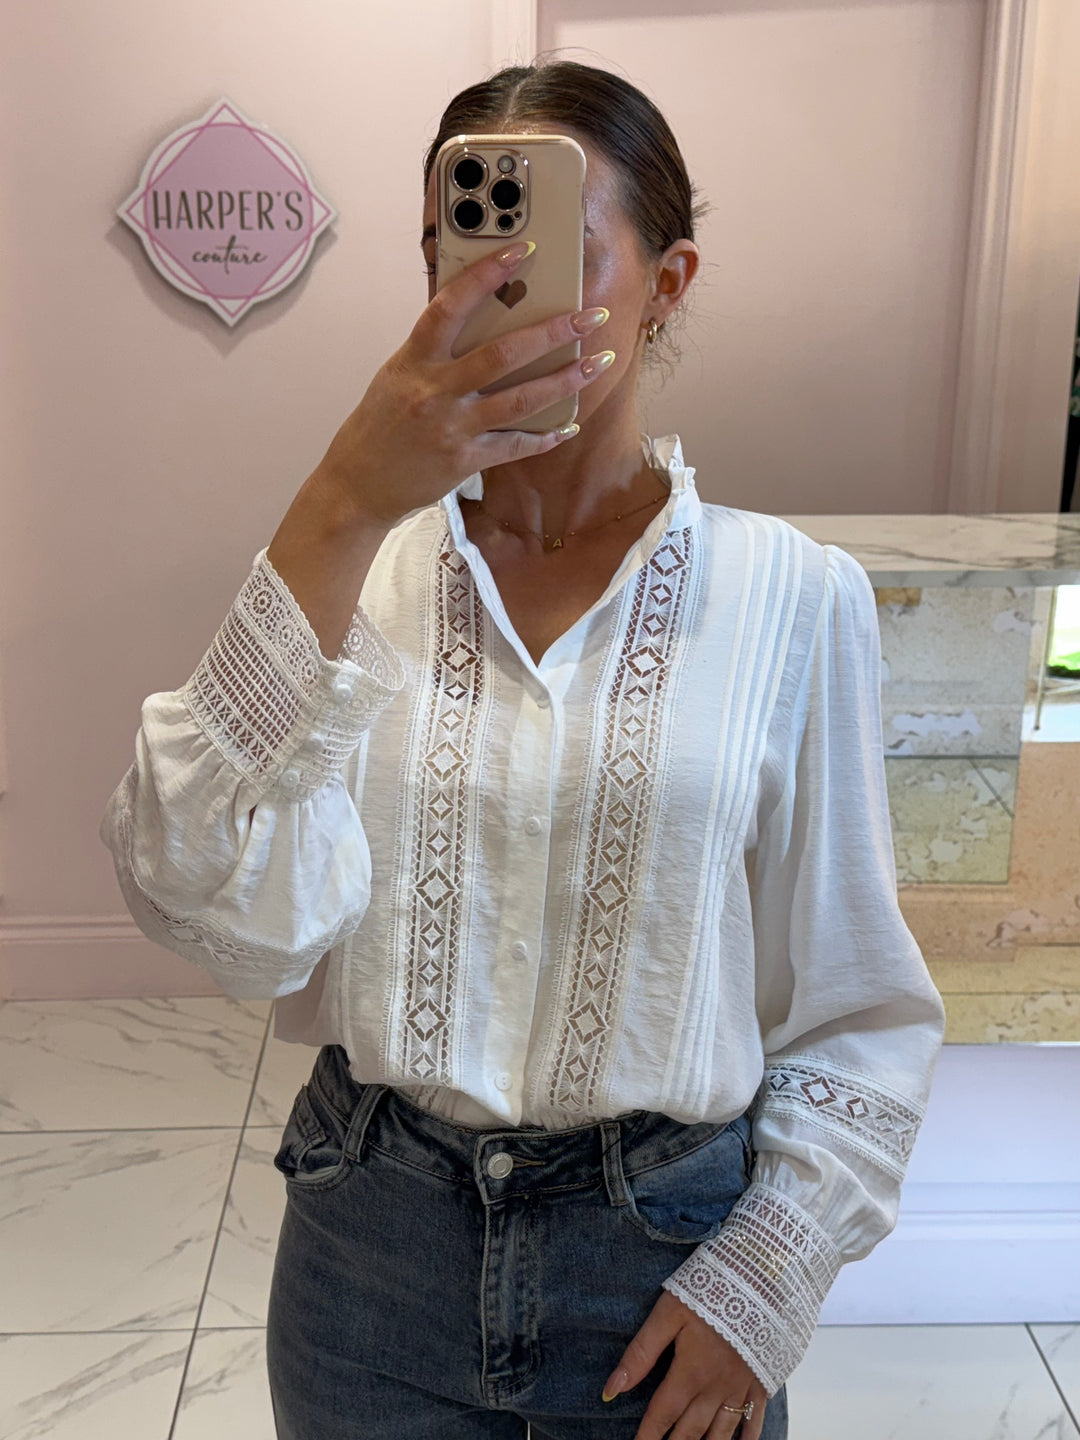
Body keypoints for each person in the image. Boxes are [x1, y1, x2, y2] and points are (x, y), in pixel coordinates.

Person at [99, 58, 947, 1440]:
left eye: (553, 245)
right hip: (370, 1253)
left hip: (665, 1265)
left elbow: (857, 1002)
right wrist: (339, 499)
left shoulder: (795, 597)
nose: (499, 284)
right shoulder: (355, 575)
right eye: (465, 241)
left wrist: (768, 1278)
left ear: (668, 282)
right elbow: (211, 909)